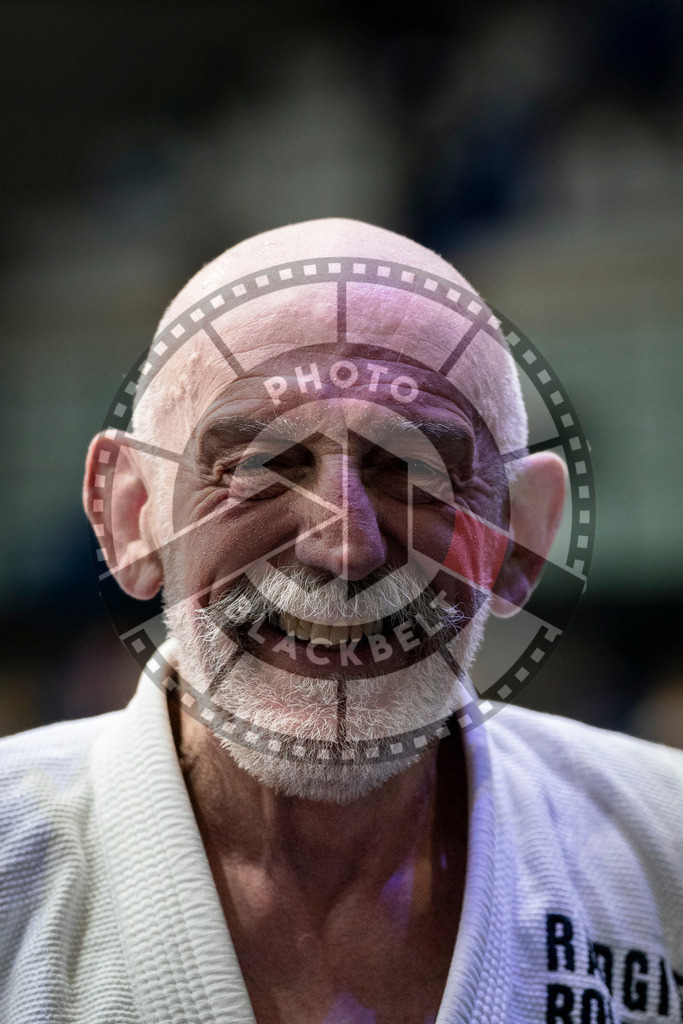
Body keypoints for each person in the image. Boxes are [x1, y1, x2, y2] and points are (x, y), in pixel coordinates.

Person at [1, 218, 682, 1024]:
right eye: (260, 465)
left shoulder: (665, 849)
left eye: (415, 471)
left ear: (520, 536)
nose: (345, 547)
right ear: (133, 516)